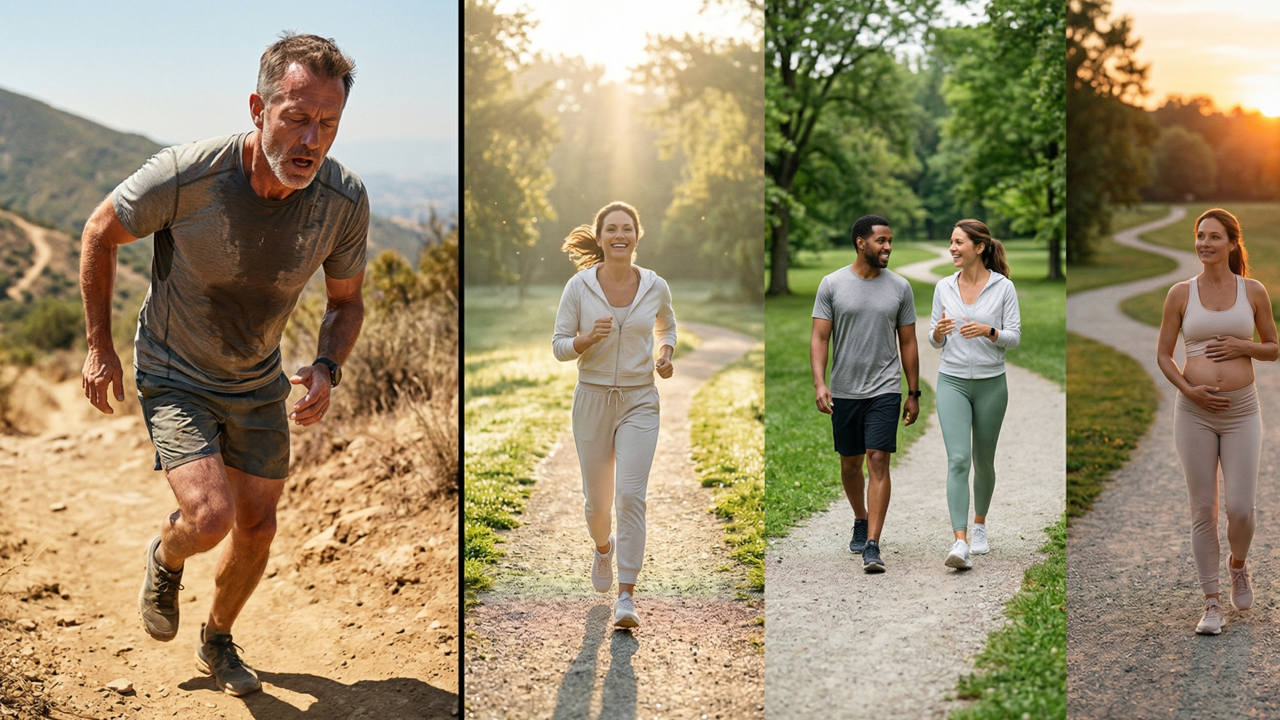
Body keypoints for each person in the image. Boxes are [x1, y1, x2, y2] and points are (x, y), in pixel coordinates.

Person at [79, 33, 367, 695]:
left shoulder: (343, 200)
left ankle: (217, 638)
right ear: (258, 109)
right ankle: (166, 553)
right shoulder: (189, 175)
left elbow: (346, 302)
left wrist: (327, 365)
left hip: (258, 376)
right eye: (296, 116)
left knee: (258, 527)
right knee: (209, 519)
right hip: (174, 370)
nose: (311, 139)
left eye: (328, 123)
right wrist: (100, 346)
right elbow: (99, 232)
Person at [552, 201, 676, 628]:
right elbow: (558, 346)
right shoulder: (578, 287)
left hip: (640, 399)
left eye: (627, 228)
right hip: (592, 399)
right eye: (612, 229)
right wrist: (585, 340)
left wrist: (665, 354)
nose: (619, 235)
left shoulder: (655, 285)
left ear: (637, 236)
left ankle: (627, 595)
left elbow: (667, 326)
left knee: (630, 495)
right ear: (600, 237)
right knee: (597, 504)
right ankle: (602, 548)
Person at [1157, 208, 1277, 635]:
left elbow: (1273, 347)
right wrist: (1188, 390)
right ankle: (1211, 603)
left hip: (1242, 411)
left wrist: (1244, 346)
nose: (1204, 243)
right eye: (1200, 236)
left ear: (1231, 243)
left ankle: (1238, 565)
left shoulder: (1253, 291)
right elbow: (1163, 355)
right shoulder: (1180, 293)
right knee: (1202, 509)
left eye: (1213, 237)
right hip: (1194, 412)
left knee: (1241, 509)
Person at [812, 214, 921, 573]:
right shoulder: (832, 284)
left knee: (877, 459)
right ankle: (860, 517)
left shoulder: (900, 287)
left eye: (890, 241)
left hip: (884, 388)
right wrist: (820, 383)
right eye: (881, 241)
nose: (888, 247)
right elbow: (820, 337)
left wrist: (913, 392)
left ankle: (872, 544)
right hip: (845, 390)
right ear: (861, 243)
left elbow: (908, 342)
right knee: (850, 464)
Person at [928, 220, 1020, 570]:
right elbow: (934, 339)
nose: (952, 248)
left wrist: (989, 331)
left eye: (958, 242)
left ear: (979, 248)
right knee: (957, 460)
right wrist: (938, 332)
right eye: (951, 242)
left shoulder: (1003, 288)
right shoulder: (943, 287)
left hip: (990, 384)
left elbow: (1014, 337)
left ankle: (979, 525)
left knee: (983, 461)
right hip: (951, 382)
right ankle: (960, 540)